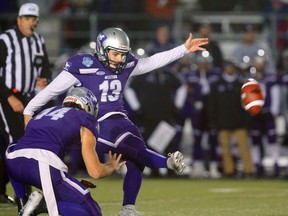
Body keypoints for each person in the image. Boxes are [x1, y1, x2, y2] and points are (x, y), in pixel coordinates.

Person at [23, 27, 208, 215]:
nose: (120, 59)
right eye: (116, 54)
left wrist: (183, 49)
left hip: (119, 118)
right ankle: (167, 163)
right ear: (103, 50)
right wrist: (29, 110)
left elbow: (152, 62)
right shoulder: (83, 65)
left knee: (136, 161)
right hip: (94, 123)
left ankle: (128, 208)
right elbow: (53, 90)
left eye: (123, 54)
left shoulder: (125, 64)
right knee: (134, 148)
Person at [6, 86, 126, 216]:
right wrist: (111, 166)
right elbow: (95, 172)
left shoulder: (45, 112)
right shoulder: (85, 120)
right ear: (88, 106)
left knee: (16, 151)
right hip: (41, 165)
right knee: (93, 211)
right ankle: (42, 205)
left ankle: (22, 201)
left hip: (13, 160)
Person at [0, 3, 51, 205]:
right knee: (18, 145)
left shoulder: (38, 40)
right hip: (6, 97)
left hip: (29, 99)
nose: (30, 22)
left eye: (33, 19)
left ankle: (3, 191)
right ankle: (25, 196)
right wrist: (8, 97)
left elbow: (45, 68)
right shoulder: (6, 39)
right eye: (26, 18)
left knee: (17, 146)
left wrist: (44, 79)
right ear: (19, 19)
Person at [208, 60, 254, 178]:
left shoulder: (241, 83)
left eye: (231, 67)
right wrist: (213, 120)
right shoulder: (217, 84)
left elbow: (247, 103)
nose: (229, 69)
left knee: (244, 147)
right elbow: (213, 103)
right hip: (223, 121)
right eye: (227, 67)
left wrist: (247, 119)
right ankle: (229, 171)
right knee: (225, 148)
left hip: (239, 121)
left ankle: (248, 170)